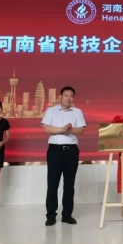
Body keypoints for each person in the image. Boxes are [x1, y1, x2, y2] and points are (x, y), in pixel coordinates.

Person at [41, 86, 86, 226]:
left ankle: (67, 215)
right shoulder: (51, 111)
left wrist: (71, 129)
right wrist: (62, 129)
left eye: (71, 96)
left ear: (73, 98)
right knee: (52, 184)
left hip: (71, 151)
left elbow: (81, 130)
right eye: (66, 95)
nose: (68, 98)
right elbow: (46, 128)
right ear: (60, 96)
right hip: (55, 151)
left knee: (69, 185)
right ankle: (51, 216)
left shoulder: (77, 112)